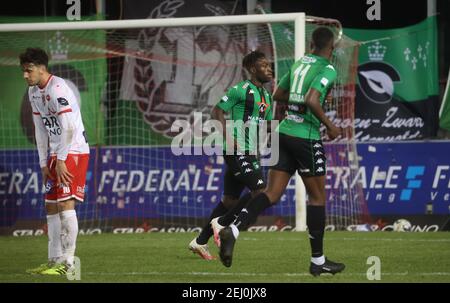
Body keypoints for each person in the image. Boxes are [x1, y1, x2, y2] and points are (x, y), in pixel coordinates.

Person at [215, 27, 346, 276]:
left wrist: (296, 110)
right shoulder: (327, 69)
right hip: (305, 137)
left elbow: (278, 94)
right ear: (332, 48)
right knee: (317, 198)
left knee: (271, 193)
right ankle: (318, 262)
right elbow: (312, 99)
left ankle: (232, 230)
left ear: (311, 44)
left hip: (283, 132)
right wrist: (331, 126)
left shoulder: (299, 64)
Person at [188, 50, 273, 259]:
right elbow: (216, 111)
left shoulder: (267, 96)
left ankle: (199, 242)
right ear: (253, 69)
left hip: (251, 151)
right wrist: (228, 135)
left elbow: (267, 124)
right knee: (261, 190)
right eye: (264, 65)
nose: (269, 68)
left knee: (229, 200)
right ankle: (224, 223)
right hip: (236, 149)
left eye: (269, 65)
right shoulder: (240, 90)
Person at [21, 48, 89, 275]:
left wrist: (60, 159)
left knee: (64, 204)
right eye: (23, 71)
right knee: (50, 205)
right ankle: (54, 260)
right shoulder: (33, 92)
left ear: (42, 68)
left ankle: (68, 263)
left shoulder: (58, 88)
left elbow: (69, 127)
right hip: (55, 153)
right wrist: (43, 162)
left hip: (74, 150)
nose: (25, 75)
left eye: (28, 70)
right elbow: (40, 130)